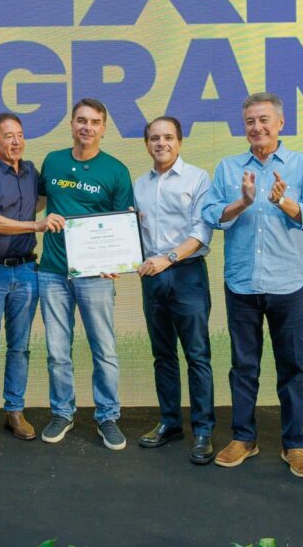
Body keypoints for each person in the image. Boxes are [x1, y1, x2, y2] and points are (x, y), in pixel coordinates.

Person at [202, 92, 303, 479]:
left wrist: (285, 202)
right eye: (250, 121)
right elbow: (211, 214)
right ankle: (244, 438)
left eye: (264, 120)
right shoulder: (228, 167)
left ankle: (294, 444)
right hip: (242, 285)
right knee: (243, 367)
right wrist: (242, 202)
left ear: (281, 123)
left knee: (292, 368)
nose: (257, 127)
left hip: (289, 285)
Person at [0, 113, 64, 455]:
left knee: (20, 347)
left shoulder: (31, 171)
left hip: (25, 271)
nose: (16, 141)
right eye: (8, 136)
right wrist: (36, 226)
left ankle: (15, 411)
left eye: (20, 134)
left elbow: (43, 201)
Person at [36, 98, 134, 450]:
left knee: (103, 349)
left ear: (103, 128)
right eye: (81, 120)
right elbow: (38, 204)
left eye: (94, 122)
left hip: (95, 276)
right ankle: (62, 412)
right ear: (72, 124)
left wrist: (117, 261)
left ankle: (107, 416)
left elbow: (122, 224)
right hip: (52, 272)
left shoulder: (116, 171)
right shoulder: (52, 161)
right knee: (57, 350)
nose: (87, 127)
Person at [133, 116, 215, 465]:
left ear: (179, 142)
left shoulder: (198, 178)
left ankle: (204, 430)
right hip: (152, 277)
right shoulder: (139, 185)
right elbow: (131, 232)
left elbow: (202, 231)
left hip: (186, 274)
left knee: (197, 355)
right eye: (154, 138)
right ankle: (170, 422)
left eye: (168, 137)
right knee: (162, 355)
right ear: (147, 144)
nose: (161, 143)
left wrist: (167, 259)